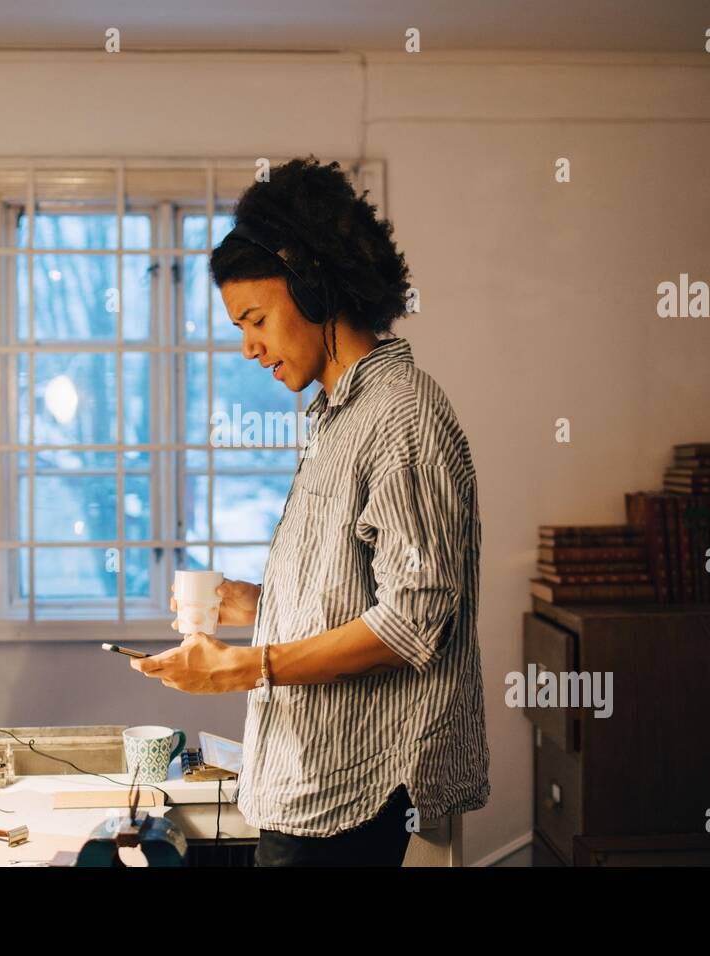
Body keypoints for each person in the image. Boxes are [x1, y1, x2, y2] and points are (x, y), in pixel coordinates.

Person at [131, 156, 490, 866]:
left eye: (256, 319)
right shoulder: (336, 419)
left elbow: (411, 621)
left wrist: (244, 666)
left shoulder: (401, 415)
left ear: (314, 286)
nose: (248, 347)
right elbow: (357, 596)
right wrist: (250, 603)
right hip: (310, 788)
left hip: (357, 800)